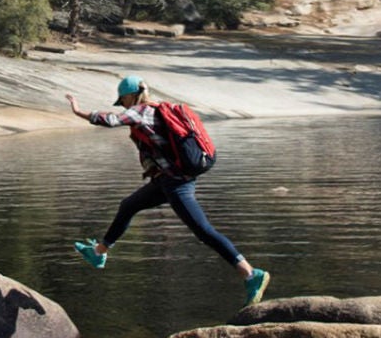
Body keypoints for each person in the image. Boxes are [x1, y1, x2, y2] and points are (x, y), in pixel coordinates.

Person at [66, 75, 270, 306]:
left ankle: (251, 274)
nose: (122, 104)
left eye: (122, 100)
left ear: (132, 95)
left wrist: (79, 111)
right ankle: (99, 252)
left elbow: (112, 120)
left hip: (176, 183)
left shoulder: (140, 110)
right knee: (129, 205)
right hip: (167, 180)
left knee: (202, 230)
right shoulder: (155, 110)